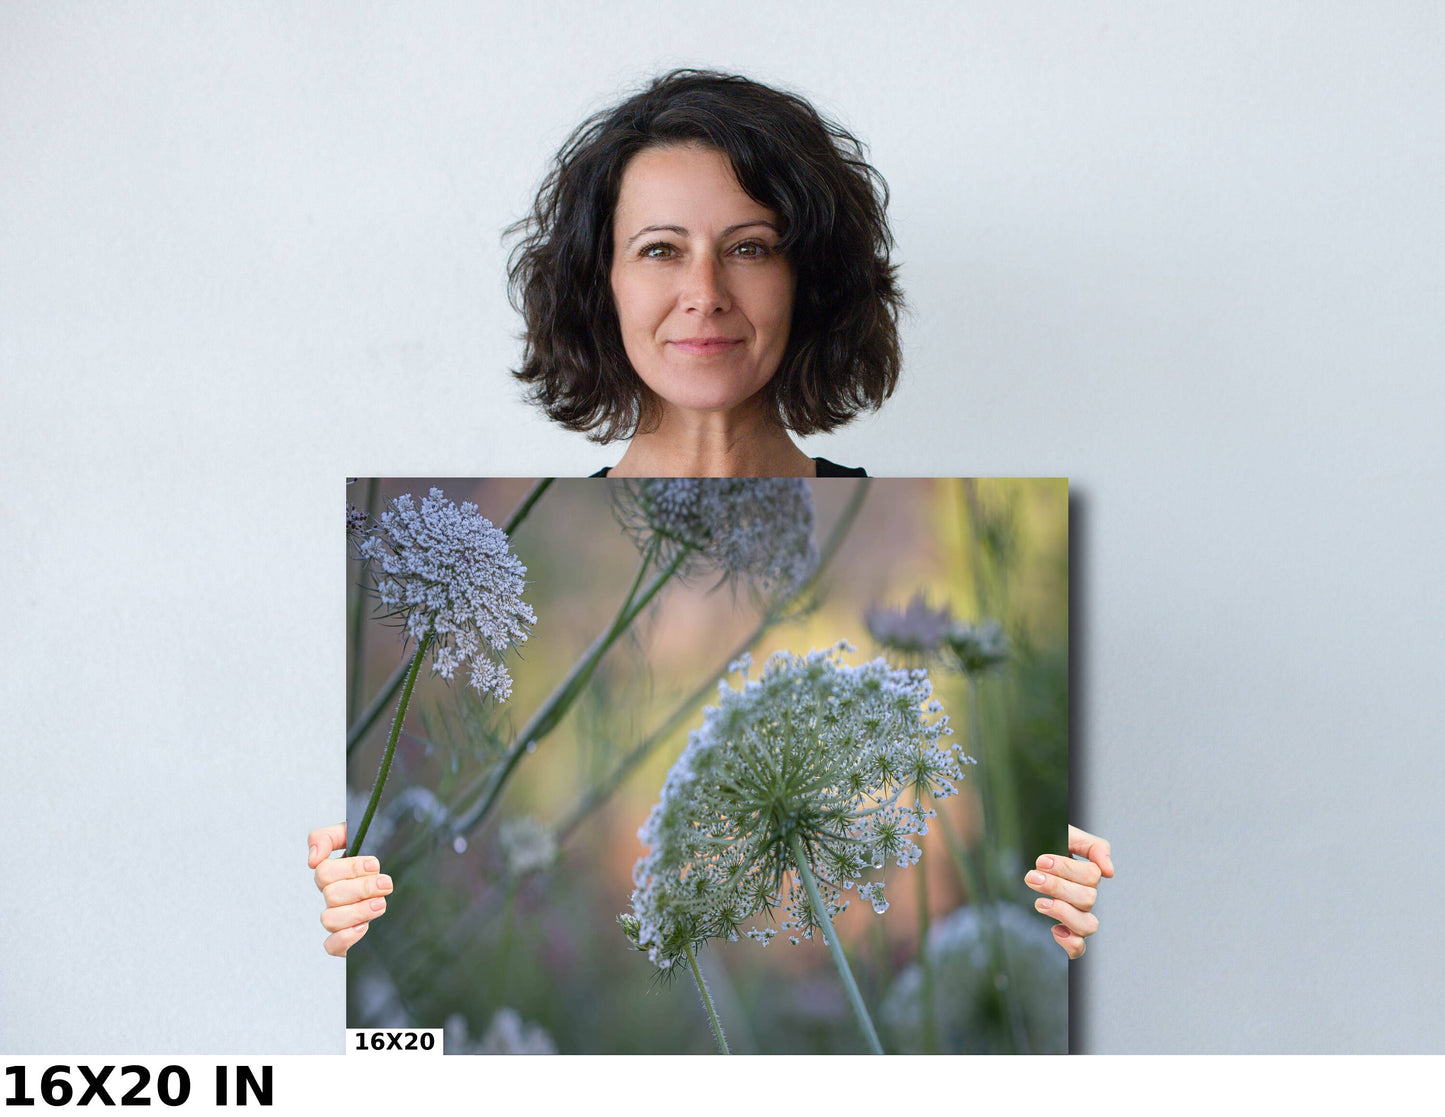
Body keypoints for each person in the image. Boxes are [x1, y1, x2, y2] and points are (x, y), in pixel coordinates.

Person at [314, 70, 1113, 961]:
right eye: (660, 249)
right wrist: (340, 915)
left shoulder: (920, 523)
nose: (705, 292)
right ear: (601, 282)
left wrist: (1081, 916)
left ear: (807, 280)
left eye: (749, 247)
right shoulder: (540, 530)